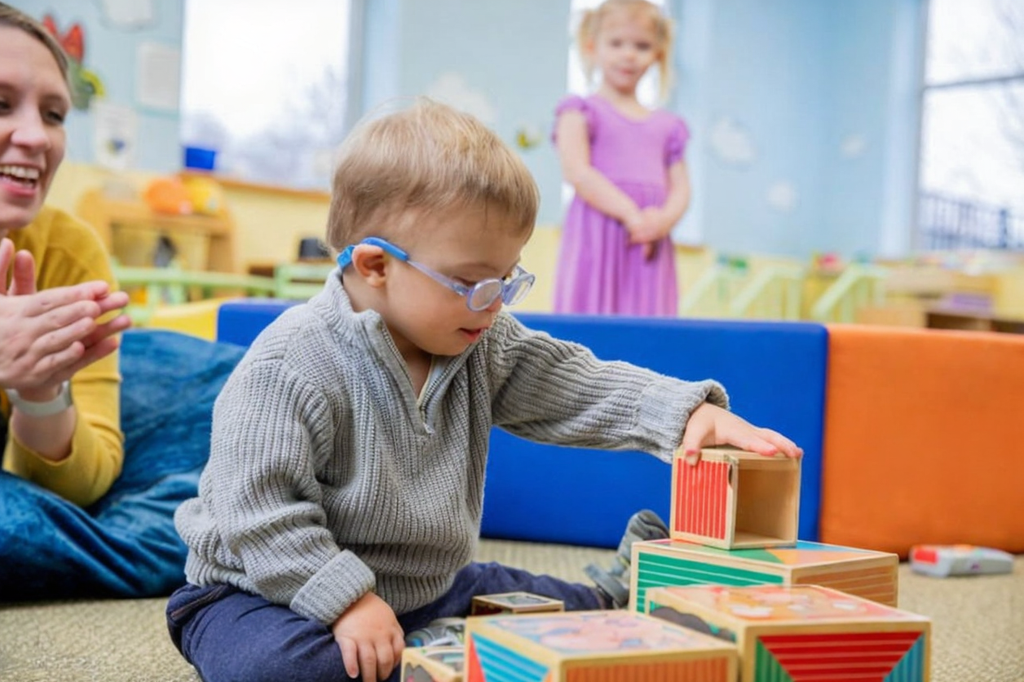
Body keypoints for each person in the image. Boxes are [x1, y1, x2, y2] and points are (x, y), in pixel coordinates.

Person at [166, 98, 800, 682]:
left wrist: (682, 413)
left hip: (420, 589)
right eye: (474, 283)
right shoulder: (291, 361)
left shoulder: (478, 342)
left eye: (506, 279)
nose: (493, 304)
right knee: (288, 671)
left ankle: (610, 593)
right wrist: (346, 600)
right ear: (376, 266)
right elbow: (260, 514)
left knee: (521, 607)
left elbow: (572, 383)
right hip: (258, 591)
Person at [0, 3, 131, 508]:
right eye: (0, 102)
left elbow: (85, 485)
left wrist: (40, 395)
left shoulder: (69, 253)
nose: (36, 136)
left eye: (53, 114)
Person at [553, 0, 691, 316]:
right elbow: (577, 172)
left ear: (658, 53)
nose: (628, 54)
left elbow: (681, 187)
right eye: (616, 43)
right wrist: (631, 215)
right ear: (592, 47)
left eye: (641, 45)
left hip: (649, 241)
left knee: (648, 327)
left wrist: (661, 221)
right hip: (598, 235)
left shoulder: (669, 126)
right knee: (590, 325)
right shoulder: (578, 111)